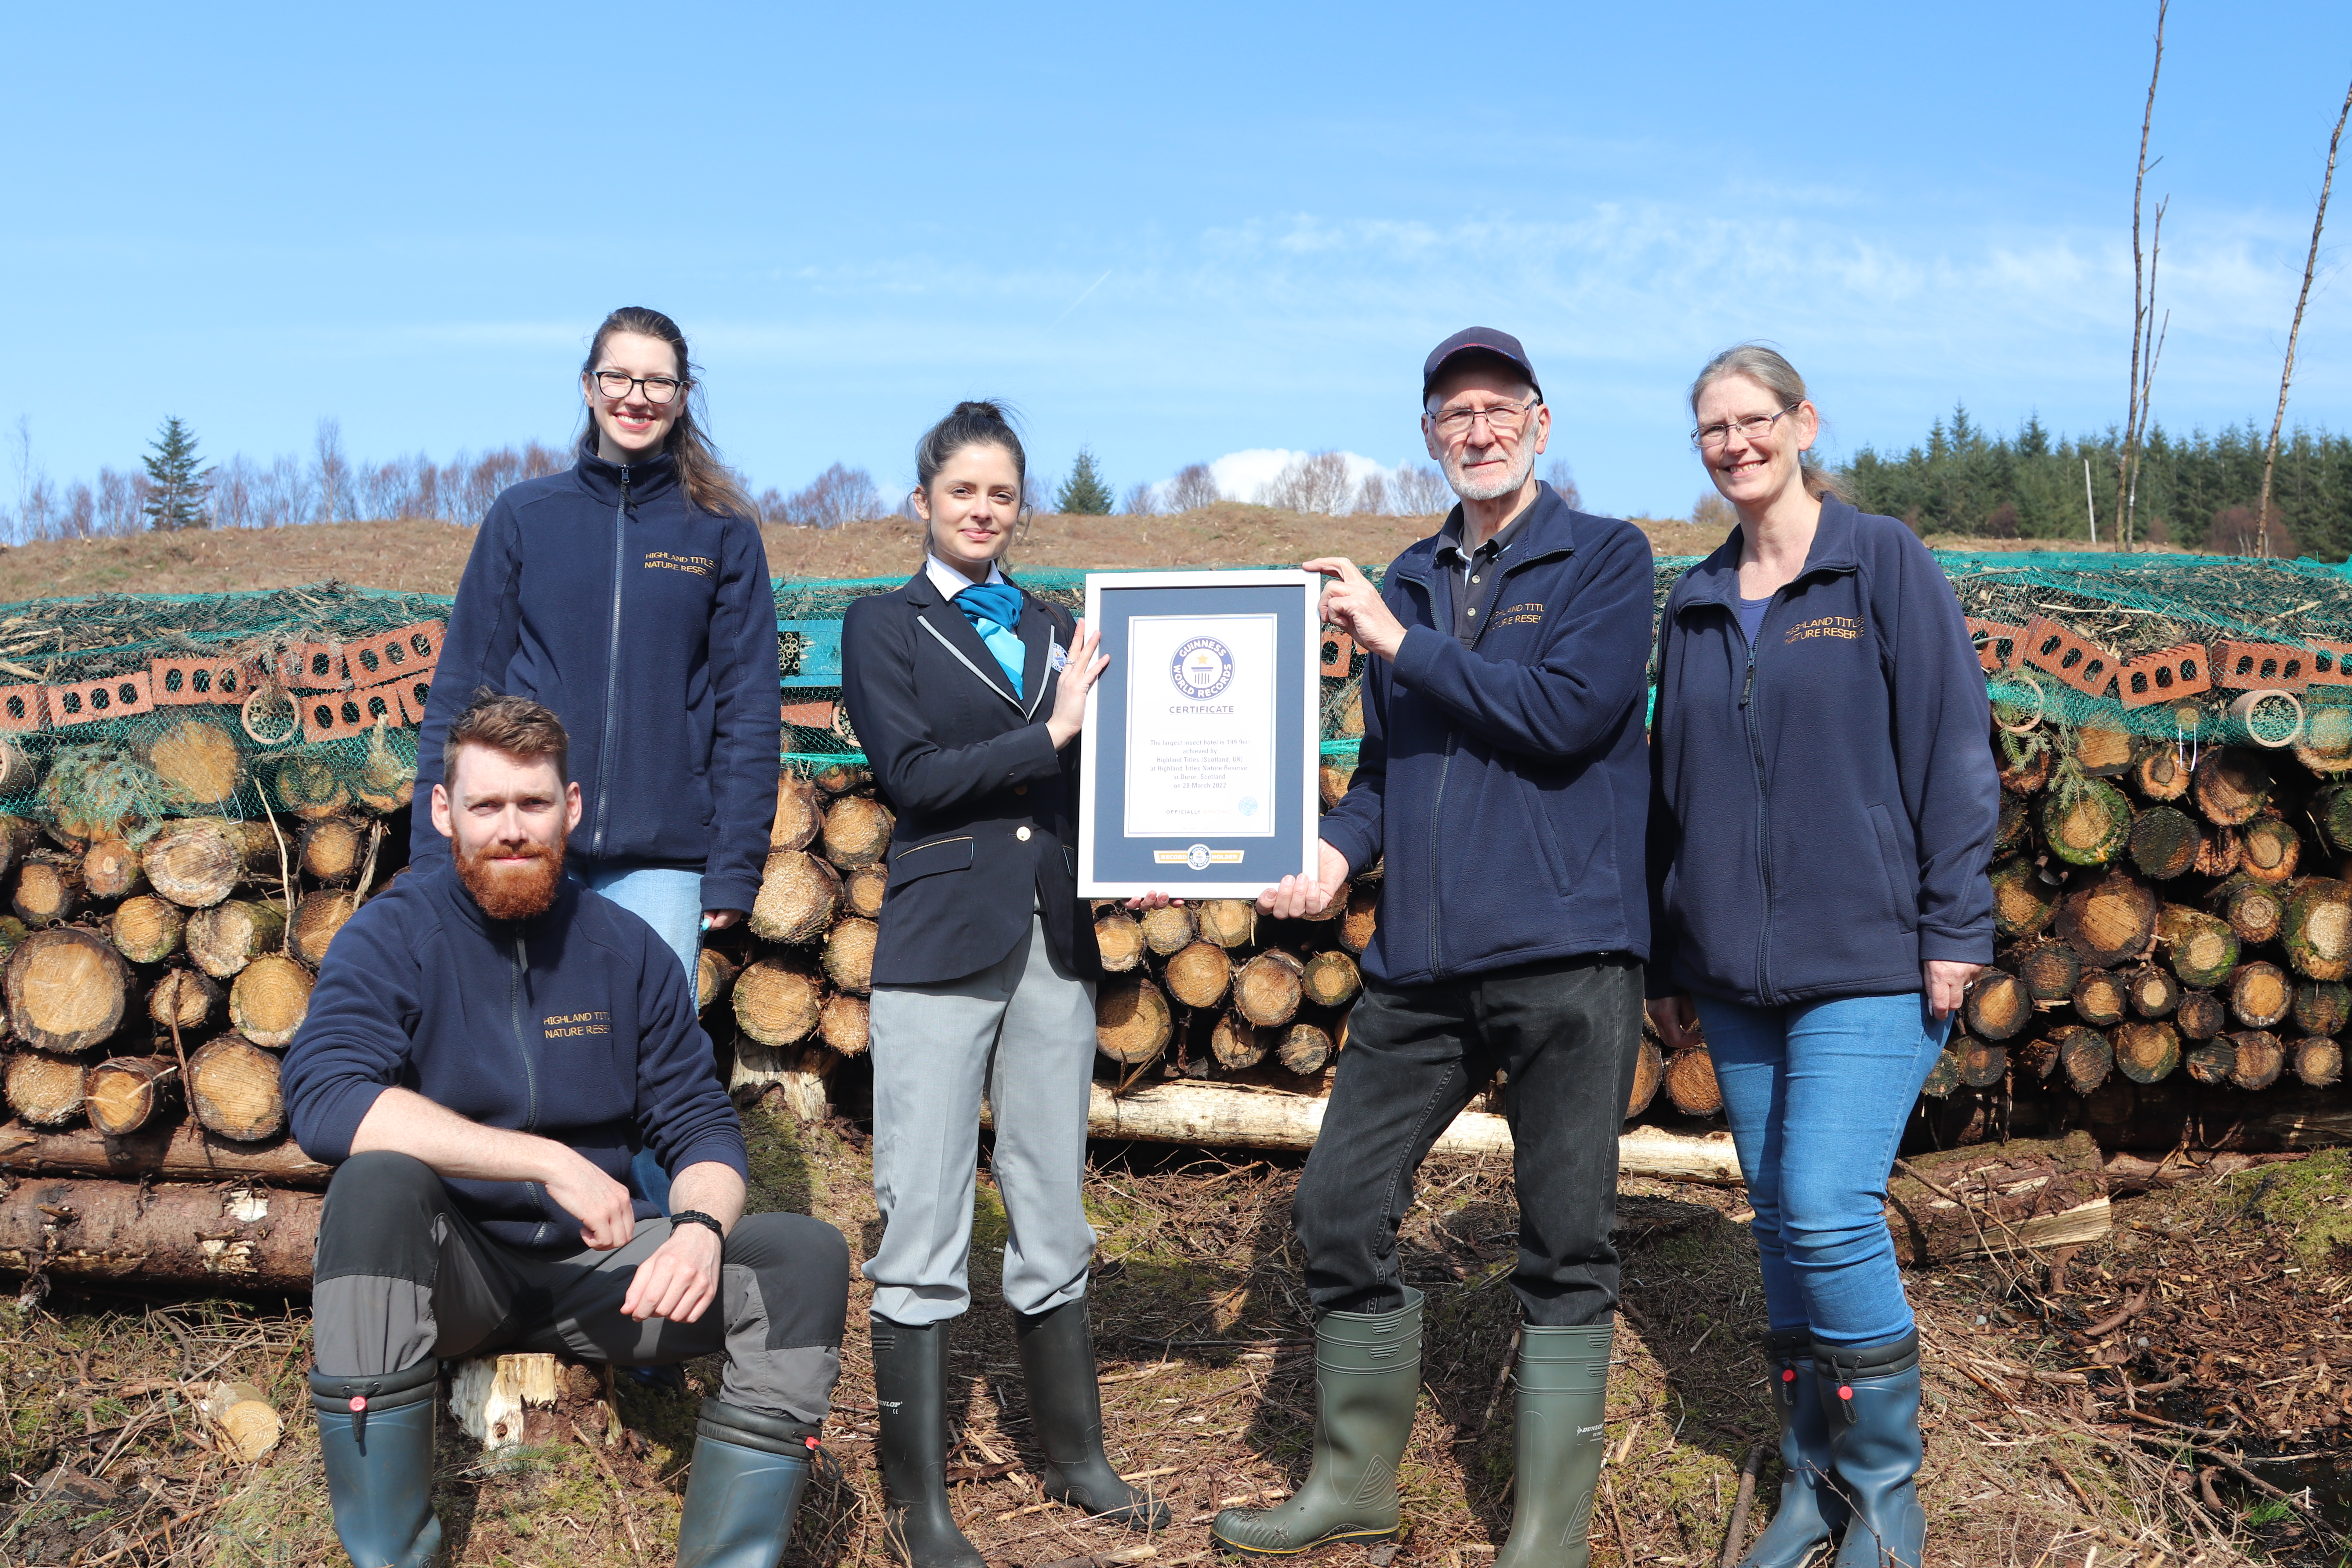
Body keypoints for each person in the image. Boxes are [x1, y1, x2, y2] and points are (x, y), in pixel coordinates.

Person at [1214, 330, 1655, 1564]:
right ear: (1428, 436)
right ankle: (1357, 1483)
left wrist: (1404, 644)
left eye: (1497, 408)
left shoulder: (1606, 559)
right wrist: (1337, 853)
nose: (1477, 429)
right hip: (1424, 965)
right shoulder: (1404, 576)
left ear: (1541, 424)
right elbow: (1381, 776)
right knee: (1337, 1209)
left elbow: (1569, 717)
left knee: (1566, 1240)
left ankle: (1549, 1535)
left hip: (1569, 954)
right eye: (1453, 413)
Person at [284, 693, 849, 1568]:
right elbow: (323, 1097)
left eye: (534, 804)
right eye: (486, 806)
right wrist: (543, 1158)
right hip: (457, 1275)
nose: (512, 829)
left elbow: (699, 1123)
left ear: (571, 806)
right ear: (444, 812)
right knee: (373, 1186)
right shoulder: (392, 936)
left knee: (802, 1257)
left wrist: (699, 1229)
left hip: (605, 1278)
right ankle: (392, 1554)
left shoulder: (626, 951)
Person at [1646, 345, 1997, 1568]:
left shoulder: (1878, 559)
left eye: (1754, 420)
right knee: (1776, 1222)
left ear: (1803, 423)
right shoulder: (1691, 600)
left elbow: (1955, 743)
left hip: (1871, 954)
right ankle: (1810, 1480)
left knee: (1826, 1206)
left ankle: (1886, 1494)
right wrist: (1668, 954)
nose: (1734, 443)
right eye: (1712, 428)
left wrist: (1957, 925)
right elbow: (1672, 794)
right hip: (1733, 973)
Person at [838, 401, 1168, 1568]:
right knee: (923, 1207)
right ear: (923, 500)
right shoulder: (883, 625)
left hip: (1053, 940)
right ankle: (920, 1504)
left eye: (1003, 495)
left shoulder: (1066, 624)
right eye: (963, 492)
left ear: (1022, 508)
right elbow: (915, 776)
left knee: (1050, 1192)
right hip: (940, 940)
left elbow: (1105, 778)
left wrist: (1138, 851)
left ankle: (1075, 1458)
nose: (984, 511)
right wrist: (1056, 731)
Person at [412, 305, 780, 1210]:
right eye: (619, 377)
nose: (637, 396)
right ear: (588, 386)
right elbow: (462, 684)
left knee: (645, 1066)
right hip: (524, 834)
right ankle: (506, 1262)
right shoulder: (525, 517)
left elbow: (749, 710)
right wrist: (436, 849)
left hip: (661, 857)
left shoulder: (720, 532)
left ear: (683, 397)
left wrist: (731, 868)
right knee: (507, 1041)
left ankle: (647, 1302)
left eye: (657, 381)